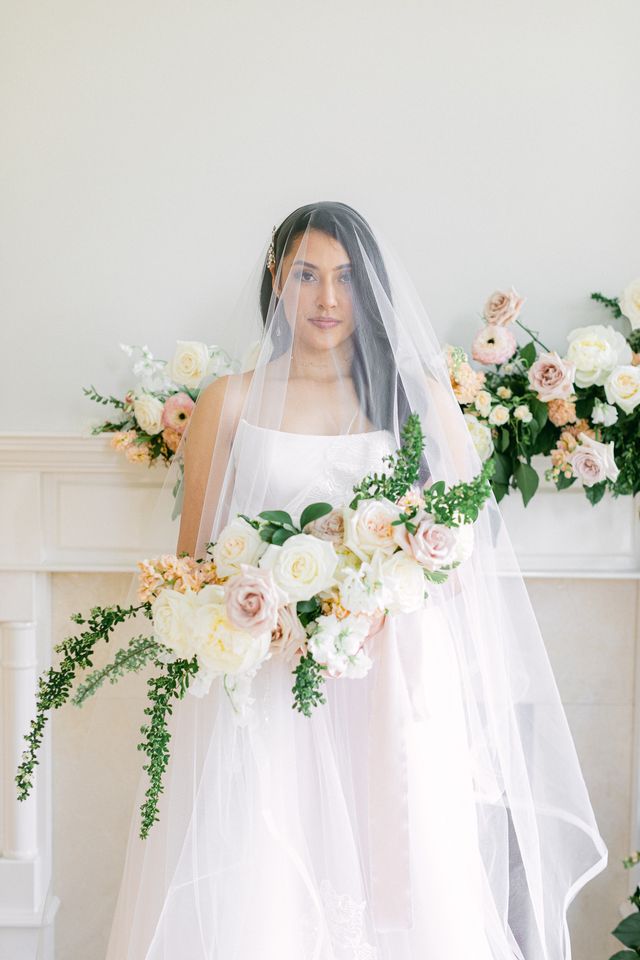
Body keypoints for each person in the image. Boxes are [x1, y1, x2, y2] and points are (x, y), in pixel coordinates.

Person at [105, 201, 607, 959]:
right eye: (306, 275)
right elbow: (194, 568)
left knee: (404, 866)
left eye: (344, 278)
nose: (327, 299)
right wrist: (266, 607)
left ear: (370, 288)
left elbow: (459, 565)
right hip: (273, 687)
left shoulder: (417, 401)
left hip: (395, 679)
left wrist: (381, 592)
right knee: (272, 879)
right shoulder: (229, 402)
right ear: (277, 281)